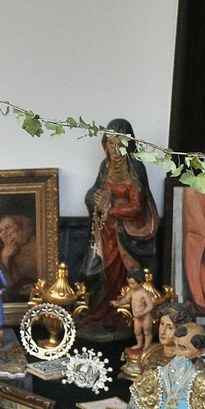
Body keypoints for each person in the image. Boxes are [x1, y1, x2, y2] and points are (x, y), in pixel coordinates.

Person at [81, 119, 159, 323]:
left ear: (129, 145)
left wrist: (111, 211)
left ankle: (122, 317)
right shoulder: (105, 166)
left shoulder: (135, 168)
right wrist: (94, 198)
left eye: (120, 144)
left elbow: (137, 206)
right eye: (111, 143)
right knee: (99, 271)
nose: (115, 150)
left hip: (127, 233)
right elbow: (94, 191)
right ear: (104, 143)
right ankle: (101, 311)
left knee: (126, 275)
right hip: (104, 231)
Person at [0, 214, 39, 298]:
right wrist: (5, 259)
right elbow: (6, 287)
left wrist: (37, 287)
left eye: (8, 228)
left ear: (21, 228)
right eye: (0, 230)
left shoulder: (38, 244)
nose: (4, 233)